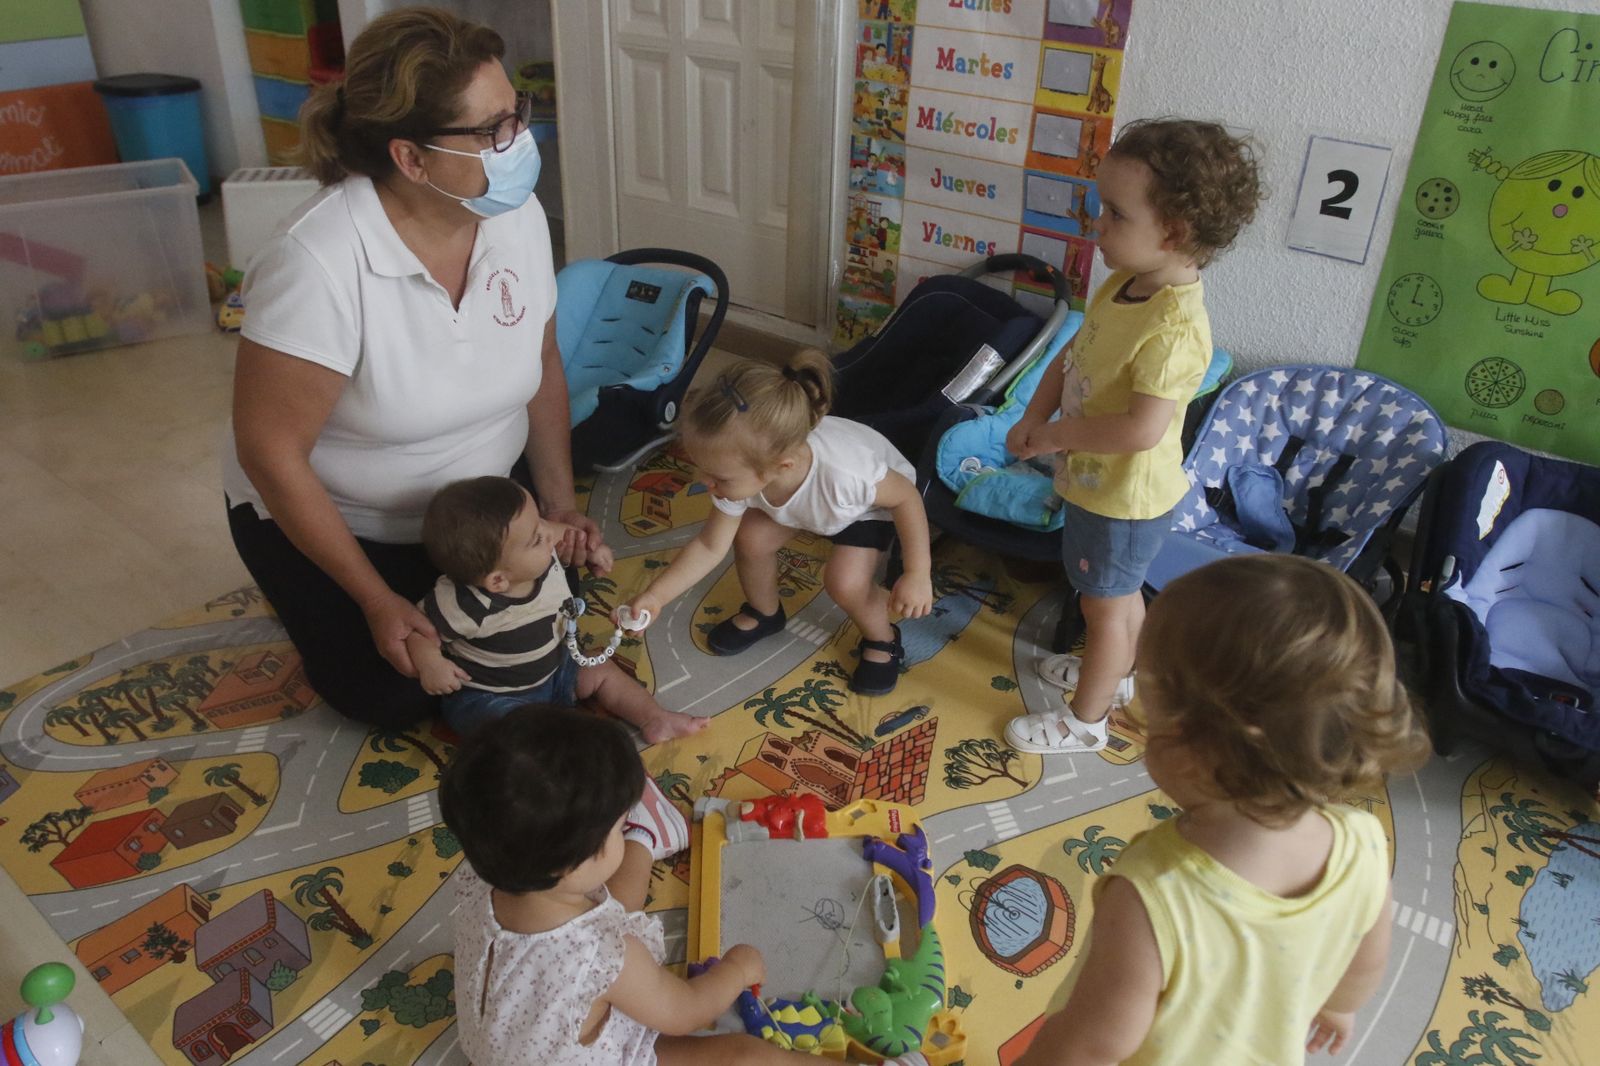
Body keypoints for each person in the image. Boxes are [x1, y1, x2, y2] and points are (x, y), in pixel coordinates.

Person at [224, 7, 603, 729]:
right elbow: (269, 452)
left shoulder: (514, 217)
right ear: (411, 158)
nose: (518, 141)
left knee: (555, 625)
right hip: (352, 519)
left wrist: (555, 505)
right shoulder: (317, 262)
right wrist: (373, 598)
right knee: (401, 694)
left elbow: (543, 359)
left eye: (515, 114)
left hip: (483, 511)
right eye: (493, 130)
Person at [1016, 555, 1431, 1066]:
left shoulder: (1154, 895)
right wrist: (1339, 1009)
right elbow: (1366, 963)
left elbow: (1088, 1047)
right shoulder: (1363, 842)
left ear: (1188, 745)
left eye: (1146, 709)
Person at [441, 705, 931, 1065]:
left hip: (509, 1045)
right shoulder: (600, 953)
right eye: (615, 827)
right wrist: (737, 970)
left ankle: (647, 837)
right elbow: (684, 1013)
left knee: (607, 906)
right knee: (745, 1057)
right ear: (578, 859)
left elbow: (597, 904)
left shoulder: (484, 876)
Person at [1003, 118, 1264, 754]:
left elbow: (1143, 429)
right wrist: (1033, 420)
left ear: (1173, 233)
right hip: (1098, 485)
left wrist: (1056, 436)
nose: (1098, 227)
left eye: (1114, 215)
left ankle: (1085, 721)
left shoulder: (1176, 328)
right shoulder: (1124, 284)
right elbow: (1073, 358)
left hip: (1126, 498)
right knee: (1113, 600)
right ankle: (1117, 674)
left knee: (1105, 609)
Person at [622, 349, 933, 697]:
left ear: (780, 466)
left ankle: (883, 638)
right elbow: (710, 545)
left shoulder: (848, 474)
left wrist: (917, 572)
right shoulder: (743, 471)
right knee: (751, 538)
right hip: (802, 501)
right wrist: (655, 596)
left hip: (863, 508)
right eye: (701, 468)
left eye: (720, 477)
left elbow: (907, 497)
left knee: (845, 582)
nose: (705, 483)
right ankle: (765, 612)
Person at [407, 476, 707, 742]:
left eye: (540, 521)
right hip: (493, 696)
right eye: (537, 537)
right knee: (507, 731)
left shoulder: (542, 547)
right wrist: (430, 663)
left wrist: (592, 548)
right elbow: (418, 630)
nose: (549, 534)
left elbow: (565, 532)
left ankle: (654, 718)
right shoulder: (464, 604)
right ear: (498, 580)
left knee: (600, 667)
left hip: (555, 669)